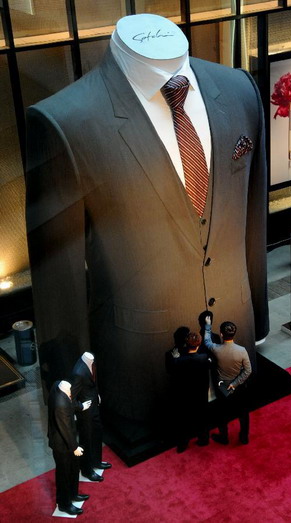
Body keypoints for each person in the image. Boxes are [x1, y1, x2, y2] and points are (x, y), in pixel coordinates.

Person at [25, 13, 269, 433]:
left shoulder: (240, 89)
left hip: (235, 341)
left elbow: (253, 217)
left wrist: (257, 319)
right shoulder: (64, 121)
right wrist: (70, 382)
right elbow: (57, 279)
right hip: (140, 367)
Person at [204, 315, 252, 445]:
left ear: (221, 334)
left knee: (222, 414)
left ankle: (224, 437)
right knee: (243, 413)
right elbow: (248, 371)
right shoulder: (242, 351)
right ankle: (244, 437)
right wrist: (235, 383)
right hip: (239, 387)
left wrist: (207, 326)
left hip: (222, 387)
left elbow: (207, 341)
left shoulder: (216, 349)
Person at [48, 380, 89, 516]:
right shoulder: (61, 405)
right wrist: (75, 447)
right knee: (64, 475)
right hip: (61, 445)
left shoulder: (57, 386)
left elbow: (70, 401)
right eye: (70, 392)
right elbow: (65, 429)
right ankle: (64, 504)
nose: (71, 393)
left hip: (66, 441)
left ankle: (73, 494)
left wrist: (80, 406)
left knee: (73, 468)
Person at [70, 352, 111, 481]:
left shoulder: (92, 362)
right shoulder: (78, 372)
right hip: (85, 412)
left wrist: (96, 394)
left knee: (97, 433)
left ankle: (96, 462)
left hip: (94, 405)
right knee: (86, 440)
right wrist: (80, 406)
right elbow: (71, 397)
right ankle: (86, 470)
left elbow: (93, 383)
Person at [167, 331, 210, 453]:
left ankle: (183, 445)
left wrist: (176, 358)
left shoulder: (178, 361)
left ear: (186, 343)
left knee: (184, 420)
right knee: (202, 417)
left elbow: (172, 371)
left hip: (185, 395)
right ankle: (203, 439)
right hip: (201, 393)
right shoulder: (204, 357)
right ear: (199, 344)